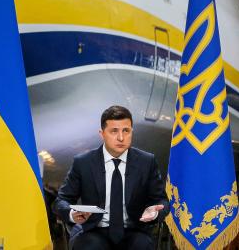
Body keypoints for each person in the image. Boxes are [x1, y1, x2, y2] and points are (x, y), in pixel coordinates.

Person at [54, 105, 169, 250]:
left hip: (134, 230)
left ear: (131, 132)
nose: (121, 137)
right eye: (114, 131)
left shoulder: (147, 161)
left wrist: (155, 211)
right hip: (93, 230)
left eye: (126, 131)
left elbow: (161, 200)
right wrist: (72, 214)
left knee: (142, 246)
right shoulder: (83, 163)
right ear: (102, 133)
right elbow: (61, 201)